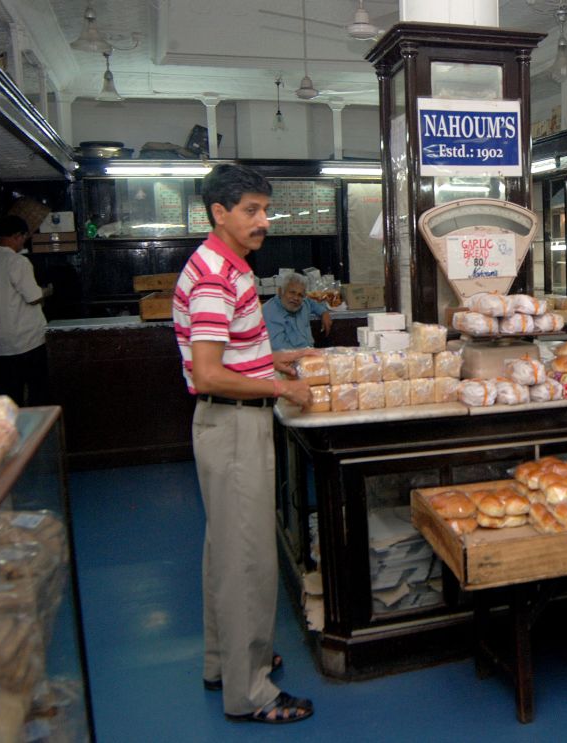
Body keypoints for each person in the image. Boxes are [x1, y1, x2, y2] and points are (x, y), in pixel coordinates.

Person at [172, 163, 316, 725]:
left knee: (225, 554)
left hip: (229, 422)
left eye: (265, 209)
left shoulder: (228, 268)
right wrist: (279, 384)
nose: (264, 220)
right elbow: (207, 373)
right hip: (232, 424)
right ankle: (249, 690)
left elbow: (227, 352)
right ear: (219, 213)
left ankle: (224, 662)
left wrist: (267, 358)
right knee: (248, 560)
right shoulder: (214, 276)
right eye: (252, 210)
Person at [0, 215, 52, 406]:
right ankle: (39, 434)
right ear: (17, 236)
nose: (24, 242)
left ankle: (15, 434)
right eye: (24, 237)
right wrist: (47, 291)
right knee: (38, 394)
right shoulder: (18, 262)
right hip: (27, 341)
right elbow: (33, 297)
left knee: (10, 398)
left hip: (1, 343)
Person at [262, 272, 332, 351]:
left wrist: (324, 313)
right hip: (288, 359)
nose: (296, 298)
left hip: (309, 355)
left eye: (300, 295)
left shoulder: (303, 303)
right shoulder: (269, 311)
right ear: (280, 292)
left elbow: (311, 302)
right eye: (292, 293)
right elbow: (280, 349)